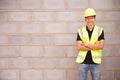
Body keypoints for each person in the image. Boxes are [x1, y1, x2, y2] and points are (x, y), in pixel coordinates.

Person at [76, 8, 105, 80]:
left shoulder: (99, 30)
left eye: (91, 18)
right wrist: (95, 45)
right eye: (88, 18)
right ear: (85, 19)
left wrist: (85, 44)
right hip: (83, 62)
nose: (90, 20)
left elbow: (101, 46)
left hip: (95, 62)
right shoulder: (81, 31)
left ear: (94, 18)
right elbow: (79, 47)